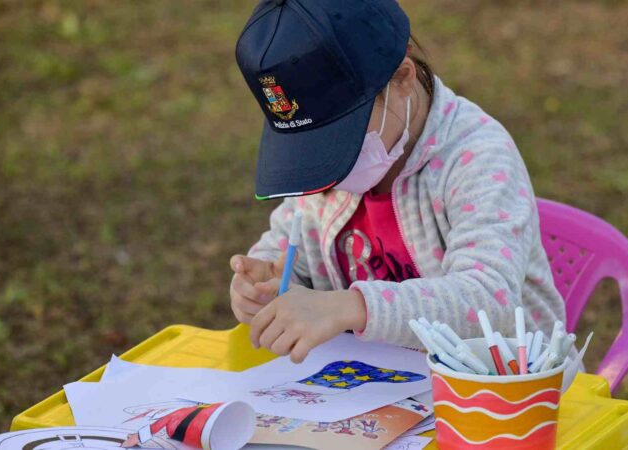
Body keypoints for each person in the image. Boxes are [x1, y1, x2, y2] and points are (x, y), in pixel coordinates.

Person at [230, 0, 565, 364]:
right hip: (376, 389)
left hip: (504, 392)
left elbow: (488, 300)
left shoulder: (478, 156)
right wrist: (266, 281)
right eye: (314, 148)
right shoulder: (323, 171)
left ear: (403, 79)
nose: (331, 170)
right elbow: (288, 241)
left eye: (341, 138)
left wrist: (351, 307)